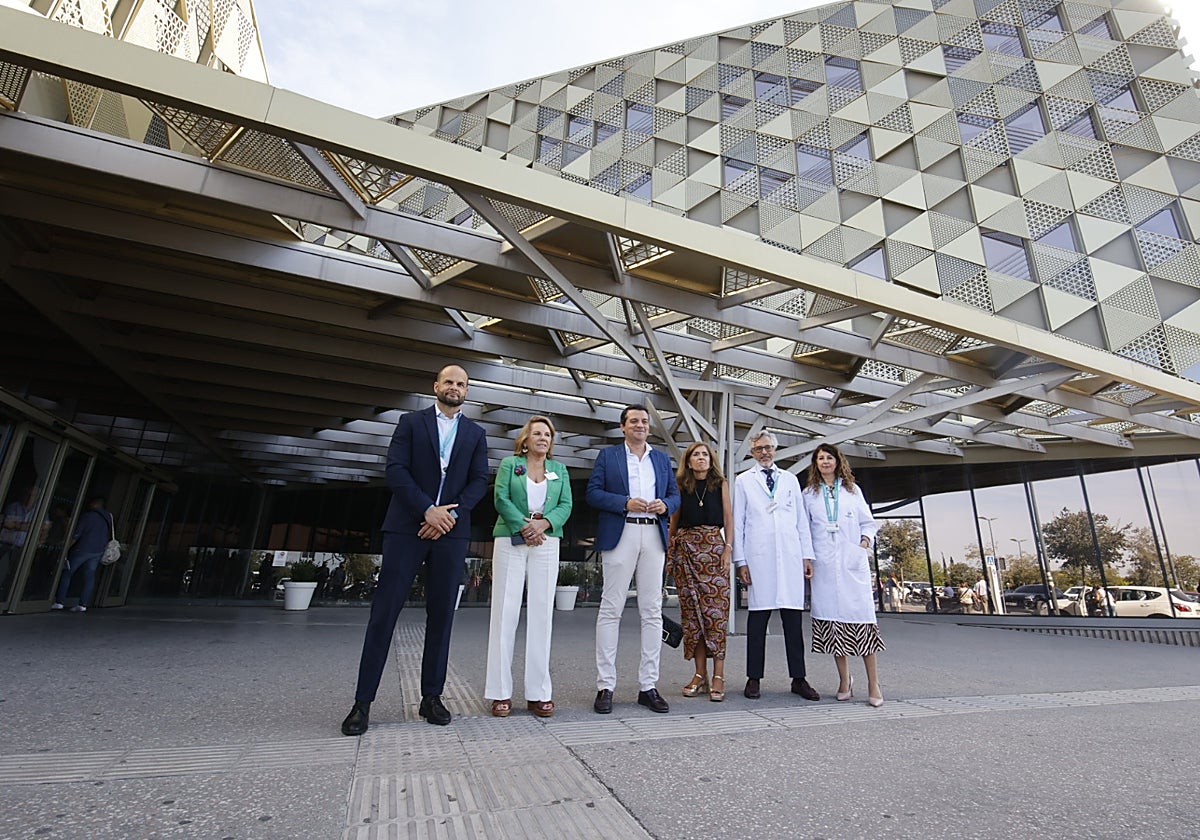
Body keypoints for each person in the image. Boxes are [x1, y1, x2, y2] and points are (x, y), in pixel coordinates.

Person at [341, 364, 489, 735]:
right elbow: (396, 470)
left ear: (466, 391)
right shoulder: (410, 422)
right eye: (449, 382)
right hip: (408, 527)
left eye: (462, 384)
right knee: (384, 614)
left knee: (442, 617)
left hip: (451, 532)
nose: (455, 388)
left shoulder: (475, 433)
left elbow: (479, 480)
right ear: (436, 385)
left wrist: (448, 517)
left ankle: (432, 697)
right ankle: (362, 703)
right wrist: (427, 510)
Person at [587, 404, 680, 715]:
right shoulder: (608, 456)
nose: (640, 425)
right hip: (621, 531)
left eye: (644, 421)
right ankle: (605, 686)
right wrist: (625, 502)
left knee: (652, 610)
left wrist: (665, 505)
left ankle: (648, 685)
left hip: (653, 535)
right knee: (610, 608)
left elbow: (675, 495)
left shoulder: (661, 459)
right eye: (634, 421)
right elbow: (593, 494)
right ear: (623, 426)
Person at [485, 415, 573, 719]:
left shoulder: (559, 470)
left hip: (547, 542)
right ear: (525, 439)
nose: (543, 438)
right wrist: (525, 527)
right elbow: (501, 498)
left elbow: (566, 505)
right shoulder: (511, 465)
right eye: (537, 433)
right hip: (511, 539)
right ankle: (500, 693)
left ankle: (539, 693)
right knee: (504, 614)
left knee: (541, 615)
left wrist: (544, 525)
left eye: (547, 435)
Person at [733, 430, 820, 702]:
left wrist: (807, 555)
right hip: (759, 558)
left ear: (775, 450)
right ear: (752, 452)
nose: (764, 453)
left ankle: (799, 678)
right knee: (757, 621)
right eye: (759, 449)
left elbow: (801, 520)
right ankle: (753, 678)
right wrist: (741, 561)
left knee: (793, 623)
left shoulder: (790, 480)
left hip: (790, 557)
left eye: (768, 448)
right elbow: (738, 522)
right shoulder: (743, 481)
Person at [801, 442, 885, 707]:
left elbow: (868, 522)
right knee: (834, 625)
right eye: (820, 458)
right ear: (815, 464)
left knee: (862, 622)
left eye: (829, 457)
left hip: (851, 563)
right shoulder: (809, 494)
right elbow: (803, 529)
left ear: (838, 461)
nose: (825, 462)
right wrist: (807, 557)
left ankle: (874, 683)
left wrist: (863, 544)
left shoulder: (852, 490)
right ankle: (844, 679)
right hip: (824, 566)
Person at [667, 441, 733, 702]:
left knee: (715, 615)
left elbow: (728, 519)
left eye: (705, 454)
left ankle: (719, 675)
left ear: (711, 459)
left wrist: (728, 549)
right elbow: (673, 523)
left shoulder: (720, 484)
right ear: (689, 461)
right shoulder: (681, 485)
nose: (701, 458)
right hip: (687, 553)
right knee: (693, 617)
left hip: (714, 552)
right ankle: (699, 674)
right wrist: (669, 554)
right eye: (696, 455)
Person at [51, 496, 114, 613]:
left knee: (67, 572)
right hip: (98, 550)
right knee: (89, 576)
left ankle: (59, 601)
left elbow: (76, 535)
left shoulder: (88, 516)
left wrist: (65, 547)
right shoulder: (108, 517)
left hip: (83, 549)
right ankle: (82, 604)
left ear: (94, 504)